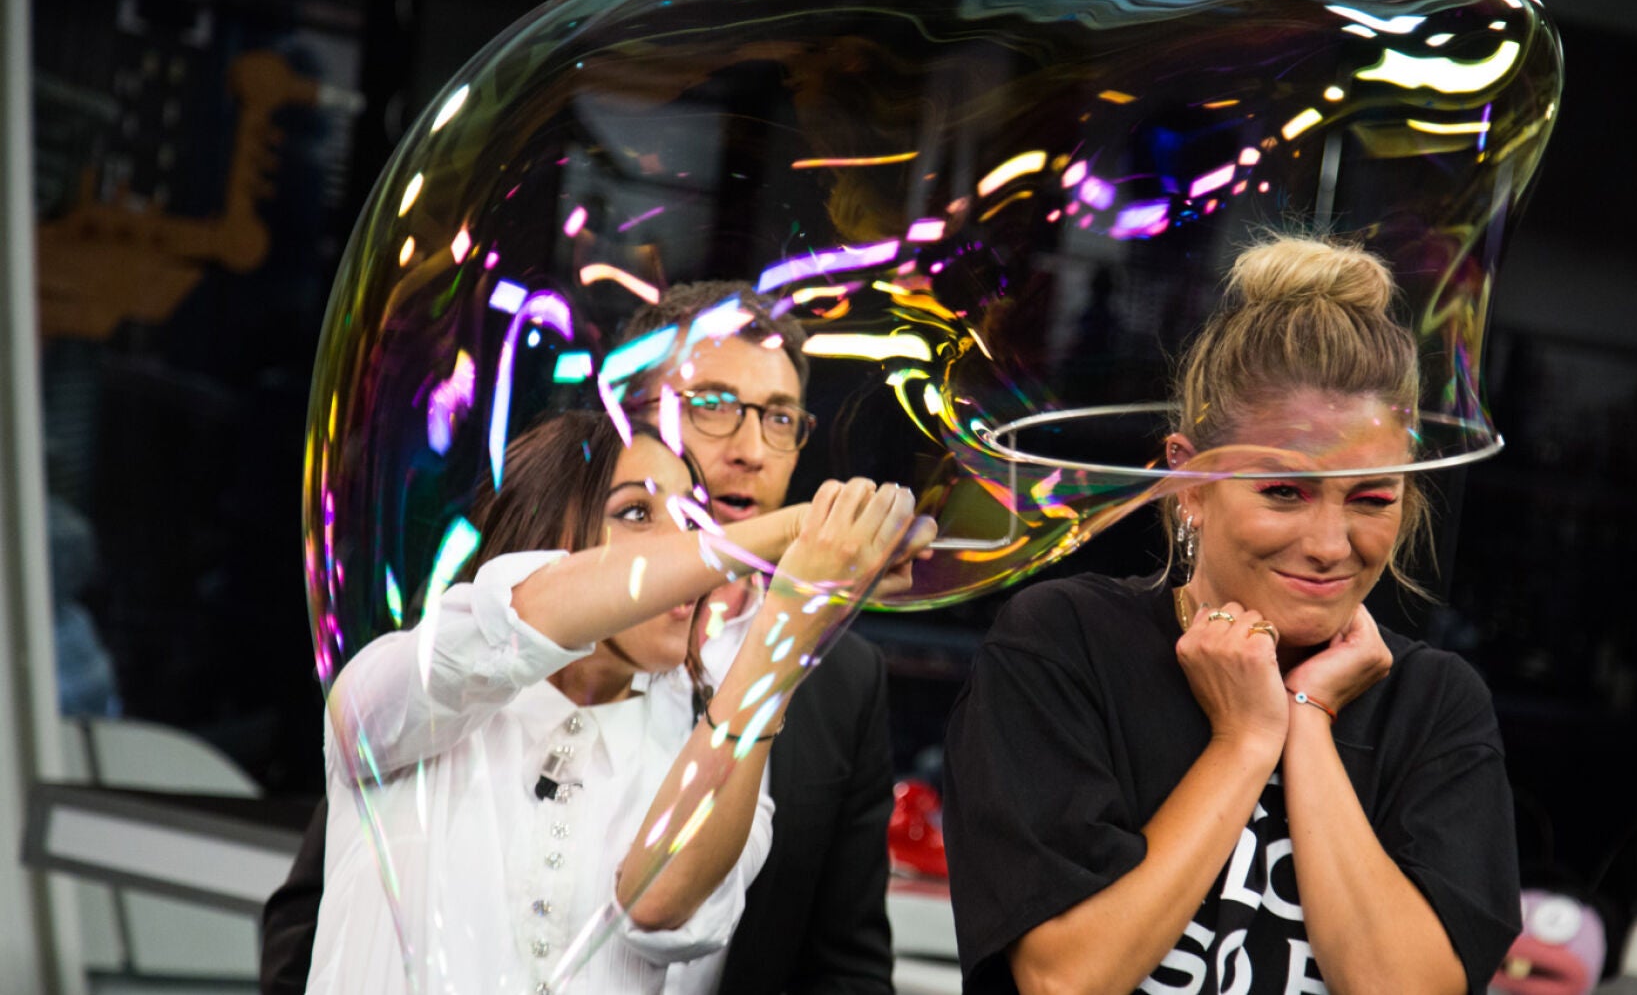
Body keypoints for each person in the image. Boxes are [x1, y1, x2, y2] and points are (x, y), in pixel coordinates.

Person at [264, 282, 903, 994]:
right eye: (715, 406)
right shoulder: (442, 663)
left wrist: (784, 631)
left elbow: (667, 907)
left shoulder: (711, 742)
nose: (753, 450)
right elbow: (523, 618)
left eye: (782, 418)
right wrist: (797, 531)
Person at [941, 236, 1519, 995]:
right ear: (1189, 479)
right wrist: (1245, 740)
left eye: (1373, 498)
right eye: (1284, 492)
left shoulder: (1435, 705)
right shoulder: (1066, 643)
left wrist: (1306, 717)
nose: (1329, 545)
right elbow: (1065, 979)